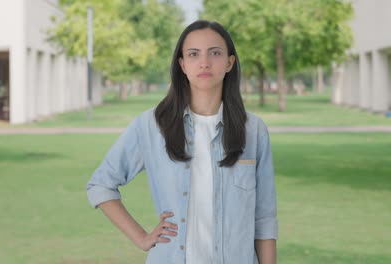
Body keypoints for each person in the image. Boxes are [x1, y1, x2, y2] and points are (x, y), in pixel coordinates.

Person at [87, 20, 278, 264]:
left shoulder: (254, 131)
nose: (204, 62)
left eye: (215, 53)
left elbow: (264, 219)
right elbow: (101, 184)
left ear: (229, 62)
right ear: (182, 64)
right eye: (193, 54)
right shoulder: (151, 126)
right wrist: (141, 237)